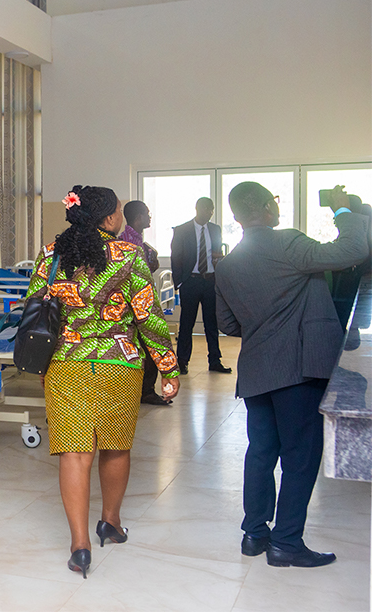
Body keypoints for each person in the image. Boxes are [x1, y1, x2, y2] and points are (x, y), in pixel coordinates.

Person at [28, 185, 180, 579]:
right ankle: (110, 524)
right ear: (109, 218)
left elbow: (36, 308)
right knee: (115, 446)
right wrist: (167, 366)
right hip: (119, 364)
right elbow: (149, 317)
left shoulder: (51, 254)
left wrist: (44, 364)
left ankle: (79, 546)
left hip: (65, 365)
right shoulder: (129, 255)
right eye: (119, 211)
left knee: (74, 453)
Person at [216, 182, 369, 568]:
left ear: (236, 216)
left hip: (257, 371)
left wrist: (263, 324)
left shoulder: (228, 264)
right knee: (301, 455)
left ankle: (254, 534)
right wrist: (341, 210)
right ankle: (286, 542)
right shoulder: (288, 243)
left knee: (261, 451)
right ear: (269, 208)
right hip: (298, 369)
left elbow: (227, 323)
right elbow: (353, 249)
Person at [170, 197, 231, 375]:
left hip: (210, 281)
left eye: (212, 209)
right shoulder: (182, 230)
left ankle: (215, 361)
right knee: (187, 323)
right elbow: (176, 257)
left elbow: (217, 253)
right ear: (197, 209)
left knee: (211, 323)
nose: (209, 213)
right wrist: (180, 281)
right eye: (206, 209)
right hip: (191, 281)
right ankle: (182, 361)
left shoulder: (215, 229)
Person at [119, 201, 167, 405]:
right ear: (138, 217)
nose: (150, 217)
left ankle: (142, 390)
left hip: (136, 302)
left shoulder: (137, 241)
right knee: (147, 346)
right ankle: (145, 391)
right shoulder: (128, 242)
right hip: (135, 305)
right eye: (147, 213)